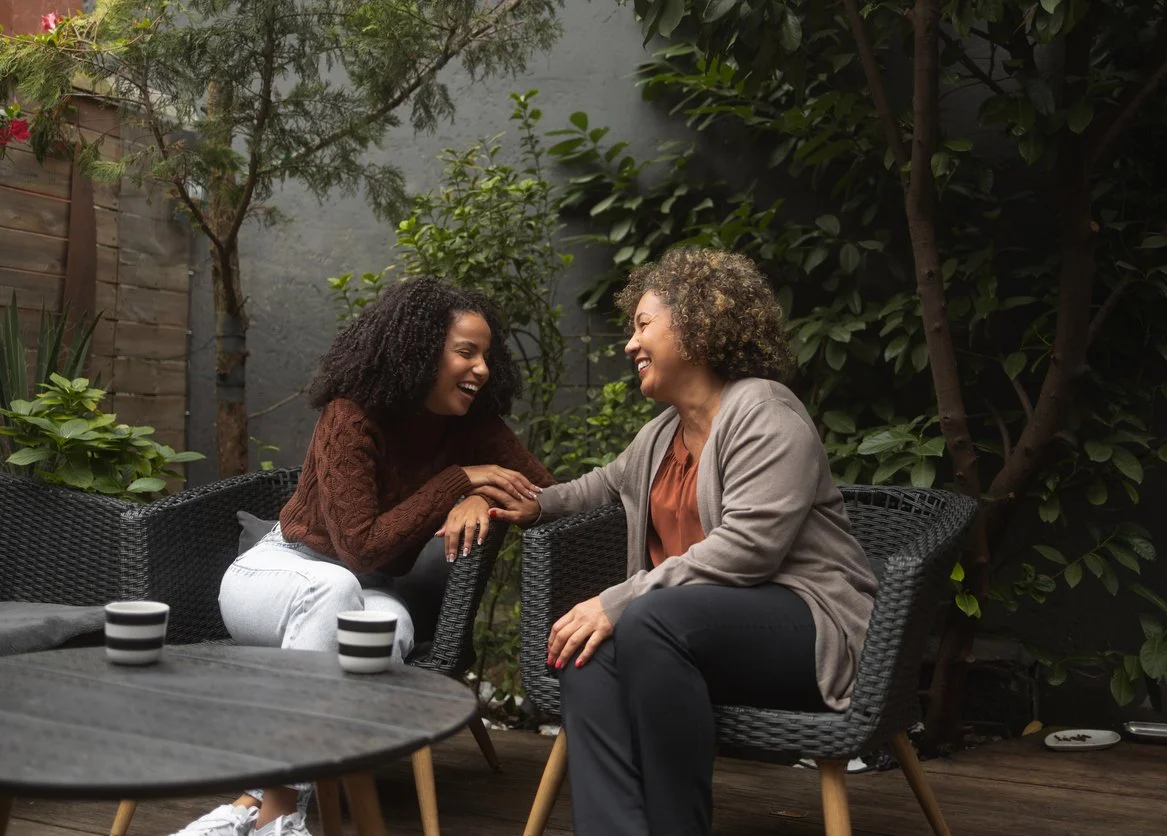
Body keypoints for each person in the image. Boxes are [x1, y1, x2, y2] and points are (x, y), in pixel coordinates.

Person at [490, 248, 879, 836]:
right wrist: (537, 504)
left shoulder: (764, 412)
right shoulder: (661, 434)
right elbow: (601, 485)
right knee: (582, 652)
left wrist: (615, 601)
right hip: (688, 636)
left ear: (697, 328)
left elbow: (749, 548)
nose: (629, 344)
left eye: (643, 325)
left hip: (807, 624)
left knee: (645, 618)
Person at [174, 278, 554, 836]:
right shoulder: (352, 415)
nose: (482, 369)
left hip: (367, 589)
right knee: (331, 590)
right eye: (466, 352)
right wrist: (459, 481)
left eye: (487, 356)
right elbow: (359, 545)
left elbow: (550, 496)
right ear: (420, 350)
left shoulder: (476, 427)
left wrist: (480, 495)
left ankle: (243, 809)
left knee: (386, 631)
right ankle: (281, 813)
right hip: (278, 572)